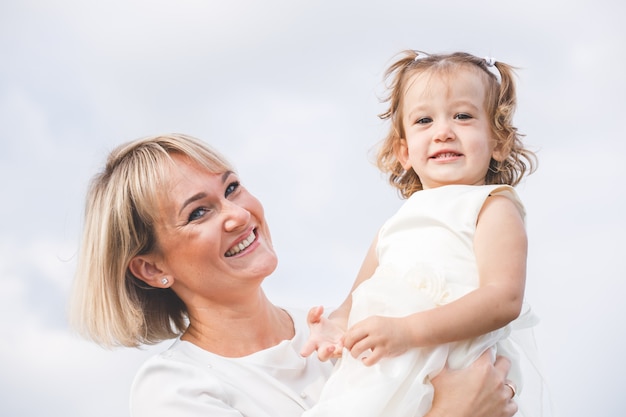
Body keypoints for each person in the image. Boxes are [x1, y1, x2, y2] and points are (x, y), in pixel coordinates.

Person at [70, 133, 520, 417]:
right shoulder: (173, 390)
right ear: (152, 268)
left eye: (231, 188)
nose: (237, 214)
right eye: (200, 212)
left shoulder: (342, 328)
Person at [300, 50, 539, 417]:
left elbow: (503, 299)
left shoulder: (491, 206)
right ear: (404, 151)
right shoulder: (394, 226)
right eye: (424, 120)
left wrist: (409, 332)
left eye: (463, 116)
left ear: (499, 142)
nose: (443, 131)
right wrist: (333, 328)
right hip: (385, 373)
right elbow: (354, 301)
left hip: (453, 364)